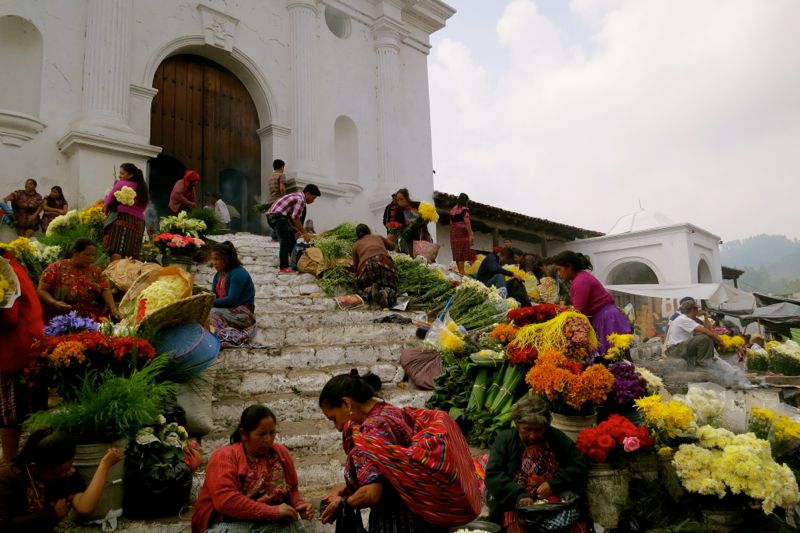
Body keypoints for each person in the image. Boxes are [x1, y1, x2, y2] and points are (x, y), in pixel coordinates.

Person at [318, 371, 448, 532]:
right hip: (425, 513)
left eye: (333, 418)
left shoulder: (372, 430)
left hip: (399, 522)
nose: (337, 427)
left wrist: (344, 501)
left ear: (346, 403)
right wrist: (346, 489)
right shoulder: (391, 412)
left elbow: (372, 493)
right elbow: (388, 472)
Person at [192, 405, 312, 533]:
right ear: (244, 434)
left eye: (272, 433)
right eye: (261, 434)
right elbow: (226, 501)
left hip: (273, 523)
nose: (268, 439)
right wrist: (272, 511)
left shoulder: (280, 453)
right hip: (231, 524)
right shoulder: (224, 457)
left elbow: (292, 489)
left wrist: (299, 504)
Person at [486, 395, 589, 533]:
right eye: (527, 429)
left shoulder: (556, 437)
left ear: (545, 426)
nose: (533, 436)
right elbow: (493, 475)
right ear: (517, 425)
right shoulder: (505, 440)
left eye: (538, 429)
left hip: (555, 503)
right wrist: (519, 495)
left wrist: (554, 483)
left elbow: (579, 466)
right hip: (516, 506)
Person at [0, 429, 123, 532]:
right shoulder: (8, 477)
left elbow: (84, 505)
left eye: (67, 469)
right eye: (56, 473)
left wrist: (104, 465)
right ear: (35, 467)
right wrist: (50, 514)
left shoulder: (65, 475)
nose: (64, 475)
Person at [0, 251, 45, 461]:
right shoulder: (11, 265)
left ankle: (10, 465)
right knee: (34, 408)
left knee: (10, 415)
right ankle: (36, 460)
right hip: (31, 346)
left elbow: (9, 317)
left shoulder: (4, 272)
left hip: (15, 352)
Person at [551, 251, 632, 355]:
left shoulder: (580, 281)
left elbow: (578, 312)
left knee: (614, 359)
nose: (558, 274)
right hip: (608, 316)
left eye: (559, 269)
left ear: (569, 266)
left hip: (607, 320)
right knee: (618, 359)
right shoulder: (582, 277)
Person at [37, 238, 119, 322]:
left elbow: (105, 289)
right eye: (87, 255)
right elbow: (42, 290)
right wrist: (54, 303)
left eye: (93, 255)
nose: (91, 258)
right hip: (61, 315)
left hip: (90, 315)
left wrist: (113, 308)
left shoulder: (96, 271)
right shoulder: (56, 268)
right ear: (75, 252)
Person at [209, 241, 257, 348]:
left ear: (226, 259)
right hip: (224, 312)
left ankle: (225, 337)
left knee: (211, 314)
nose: (213, 262)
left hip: (243, 315)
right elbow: (213, 296)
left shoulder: (238, 273)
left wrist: (208, 302)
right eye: (212, 259)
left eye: (216, 259)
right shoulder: (218, 275)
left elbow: (232, 300)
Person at [266, 184, 320, 273]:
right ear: (308, 193)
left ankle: (294, 263)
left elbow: (289, 215)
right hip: (277, 217)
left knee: (291, 239)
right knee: (285, 241)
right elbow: (295, 217)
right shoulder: (300, 200)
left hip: (275, 216)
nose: (313, 200)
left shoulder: (296, 196)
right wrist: (304, 233)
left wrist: (294, 228)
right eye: (313, 197)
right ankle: (284, 267)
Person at [103, 163, 149, 262]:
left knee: (117, 248)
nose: (120, 176)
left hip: (122, 219)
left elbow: (109, 201)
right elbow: (144, 207)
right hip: (139, 223)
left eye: (122, 173)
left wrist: (106, 213)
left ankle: (116, 275)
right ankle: (129, 275)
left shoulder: (121, 184)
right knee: (132, 252)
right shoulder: (143, 188)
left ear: (130, 175)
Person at [665, 299, 723, 367]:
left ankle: (704, 363)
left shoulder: (689, 320)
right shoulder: (683, 319)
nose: (698, 311)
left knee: (704, 336)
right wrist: (719, 340)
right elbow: (706, 331)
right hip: (675, 349)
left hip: (680, 348)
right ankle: (703, 364)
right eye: (697, 309)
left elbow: (708, 330)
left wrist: (705, 315)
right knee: (704, 338)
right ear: (692, 310)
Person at [351, 224, 397, 309]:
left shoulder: (355, 245)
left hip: (366, 267)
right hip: (383, 262)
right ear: (369, 230)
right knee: (391, 285)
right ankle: (385, 293)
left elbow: (356, 267)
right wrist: (391, 238)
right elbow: (392, 247)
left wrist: (357, 279)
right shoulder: (378, 237)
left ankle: (370, 291)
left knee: (360, 288)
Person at [394, 188, 431, 255]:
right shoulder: (398, 213)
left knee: (426, 258)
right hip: (410, 241)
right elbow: (400, 230)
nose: (400, 202)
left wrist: (426, 218)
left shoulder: (418, 205)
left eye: (401, 199)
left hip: (422, 236)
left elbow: (428, 217)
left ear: (407, 198)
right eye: (398, 200)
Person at [449, 193, 474, 276]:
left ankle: (460, 271)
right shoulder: (464, 209)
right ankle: (462, 272)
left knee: (457, 252)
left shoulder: (452, 210)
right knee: (462, 252)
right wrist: (470, 234)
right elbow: (467, 222)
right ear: (465, 200)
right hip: (462, 232)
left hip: (453, 232)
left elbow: (451, 222)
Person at [265, 159, 287, 241]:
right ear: (282, 167)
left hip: (270, 200)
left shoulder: (271, 177)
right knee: (279, 220)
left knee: (273, 219)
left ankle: (274, 237)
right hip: (278, 200)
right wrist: (285, 199)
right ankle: (275, 237)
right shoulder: (281, 175)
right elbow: (282, 189)